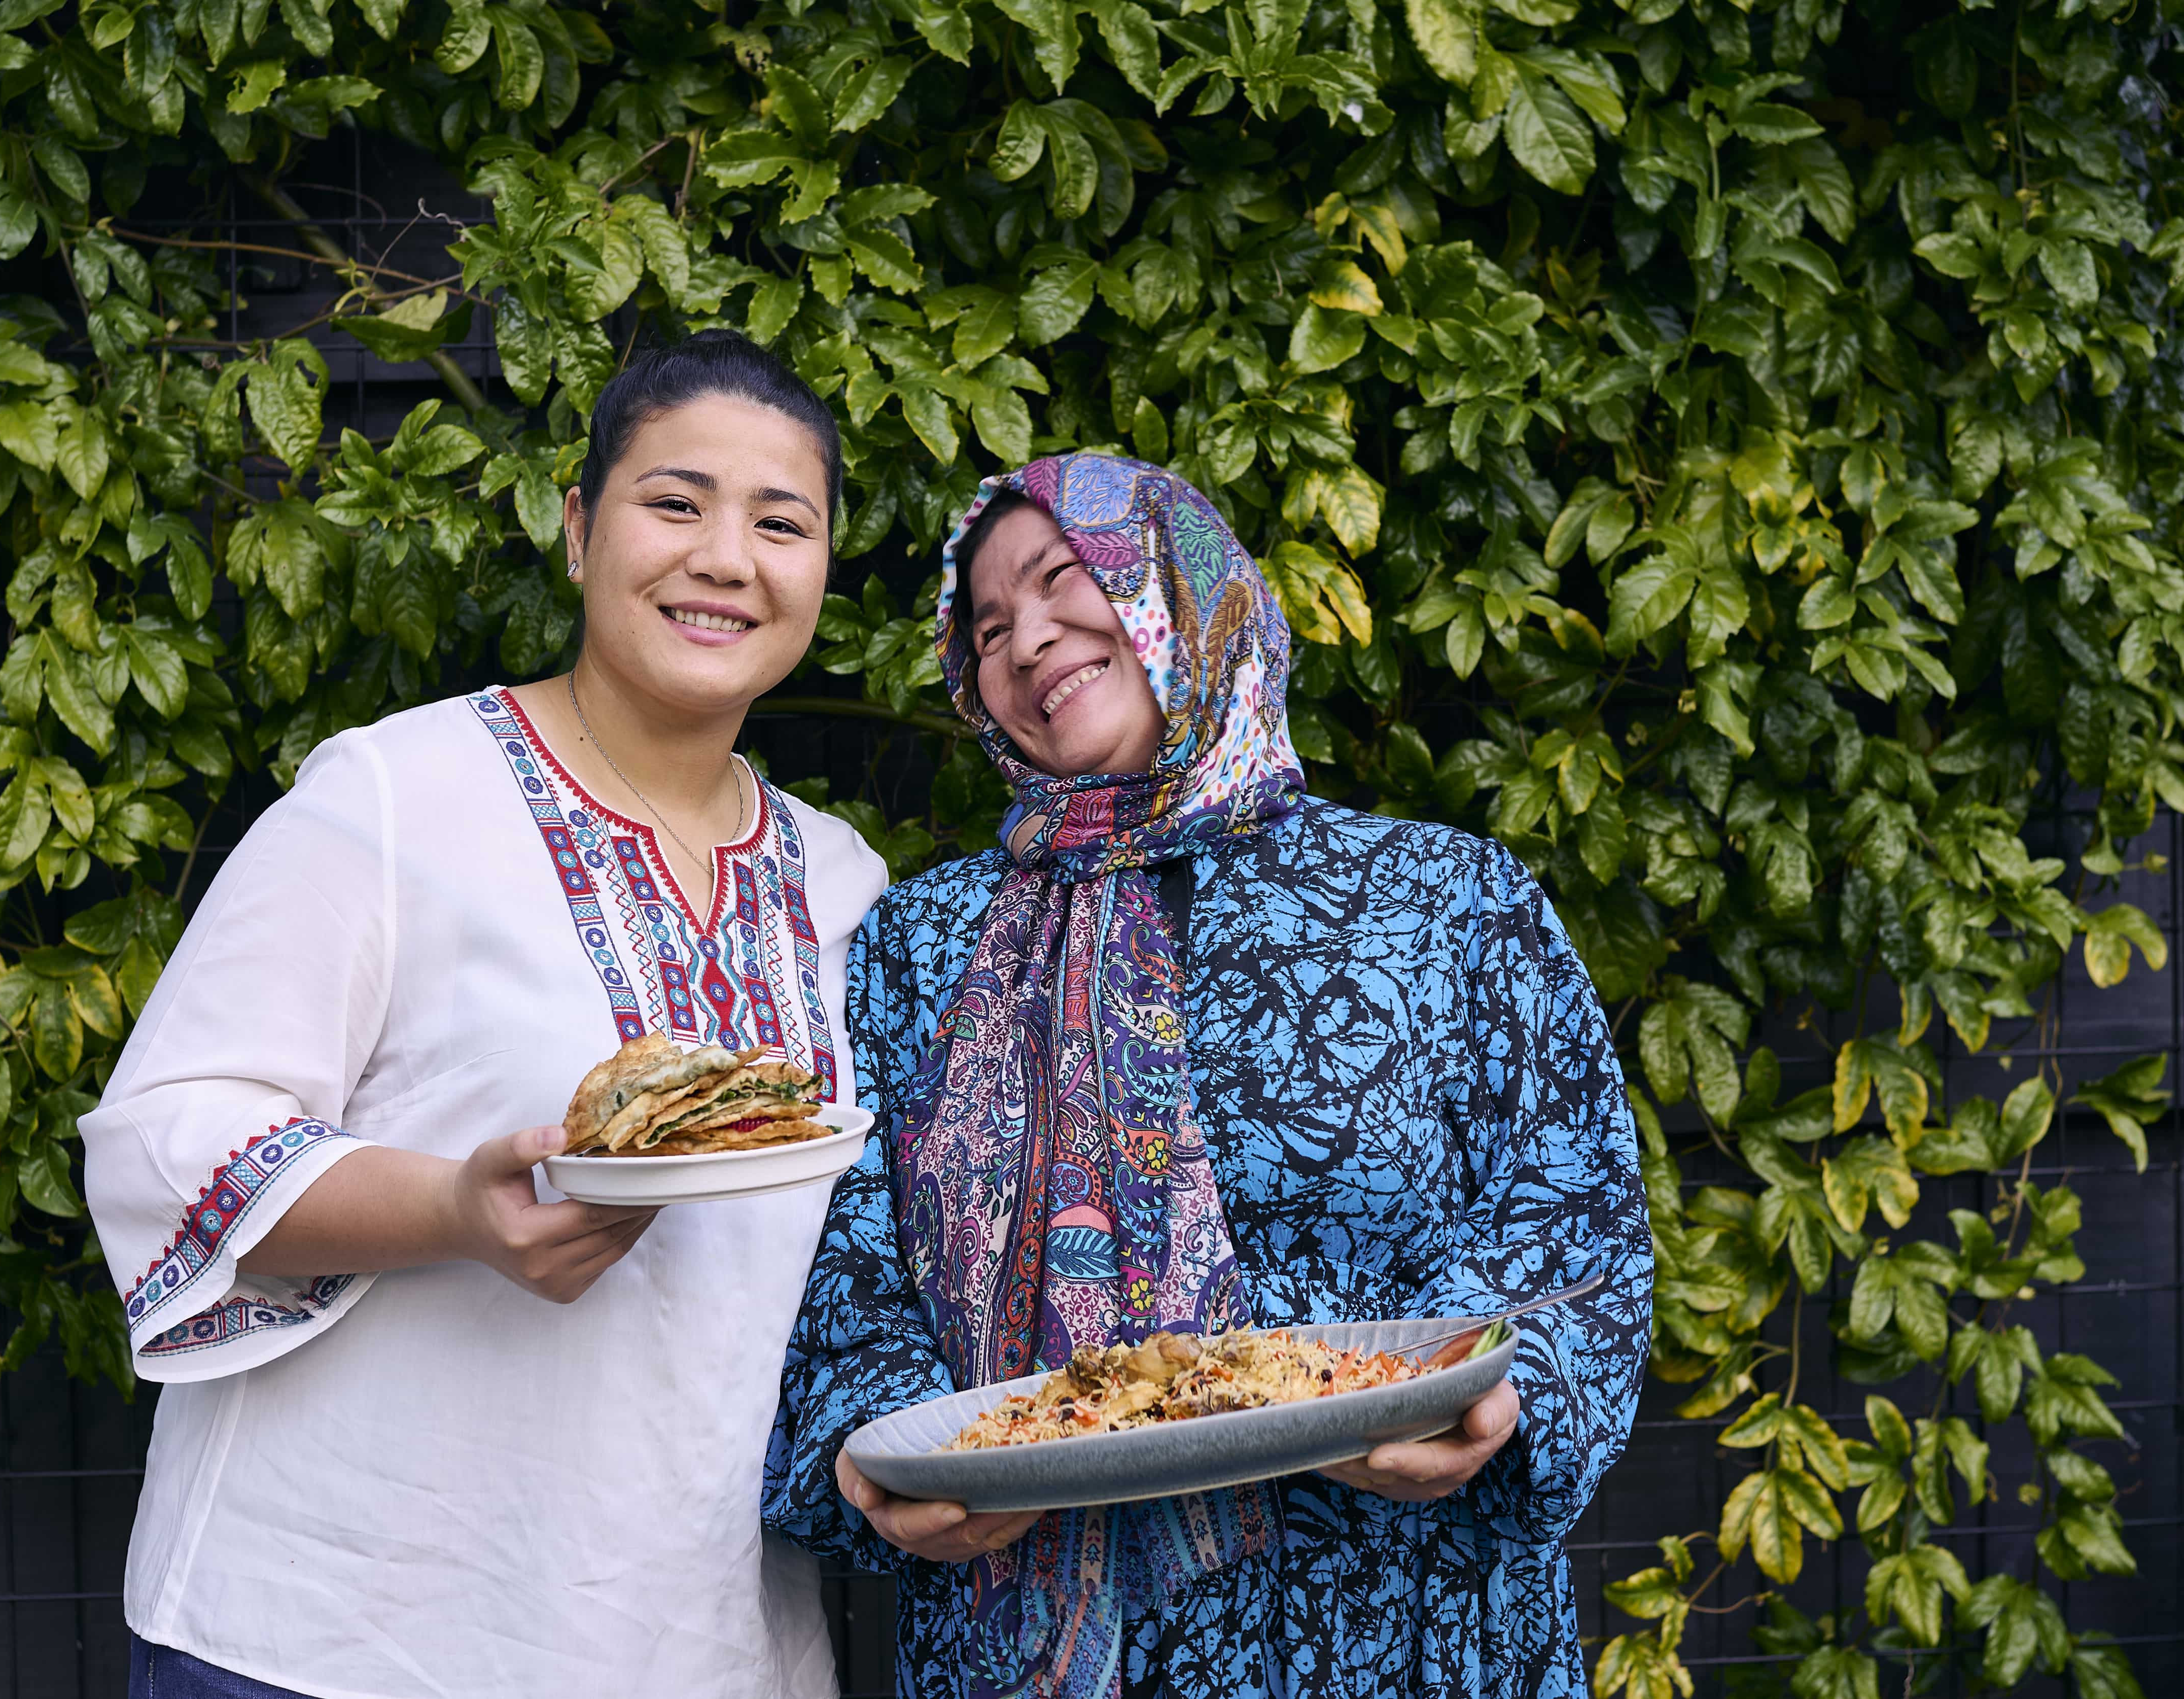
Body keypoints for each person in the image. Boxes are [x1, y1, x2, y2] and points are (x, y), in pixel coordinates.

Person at [764, 453, 1653, 1698]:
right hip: (1033, 1631)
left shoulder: (1446, 899)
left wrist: (1494, 1402)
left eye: (1063, 578)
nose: (1026, 641)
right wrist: (882, 1450)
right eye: (986, 628)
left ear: (1175, 585)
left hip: (1399, 1619)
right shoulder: (922, 943)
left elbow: (1573, 1219)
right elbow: (843, 1267)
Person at [82, 330, 887, 1699]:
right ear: (579, 530)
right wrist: (456, 1207)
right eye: (674, 501)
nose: (725, 556)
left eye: (780, 522)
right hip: (339, 1634)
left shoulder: (839, 879)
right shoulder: (394, 795)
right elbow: (168, 1136)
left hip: (690, 1641)